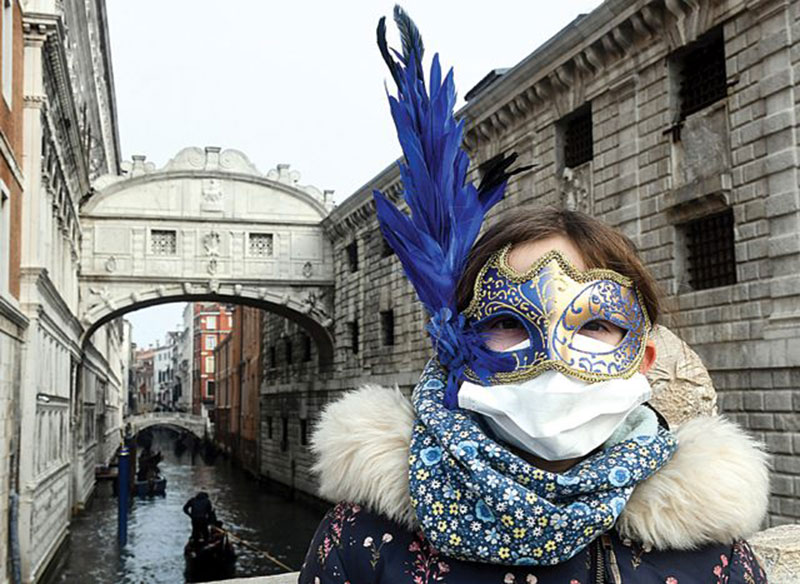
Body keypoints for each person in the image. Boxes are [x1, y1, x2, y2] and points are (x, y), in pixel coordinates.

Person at [298, 8, 770, 584]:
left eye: (595, 325)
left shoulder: (707, 551)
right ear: (457, 351)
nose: (551, 357)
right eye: (509, 322)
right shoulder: (365, 541)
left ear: (644, 357)